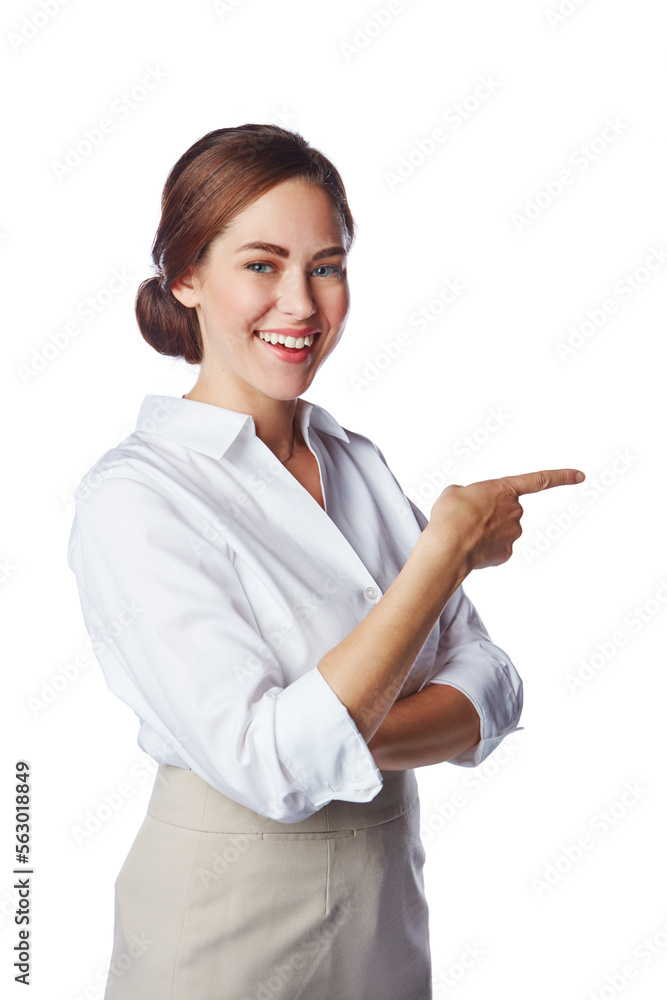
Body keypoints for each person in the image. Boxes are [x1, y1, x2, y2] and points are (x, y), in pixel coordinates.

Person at [66, 124, 584, 999]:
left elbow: (492, 685)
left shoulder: (354, 462)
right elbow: (271, 769)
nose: (301, 304)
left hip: (384, 912)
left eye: (327, 265)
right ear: (187, 276)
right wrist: (444, 555)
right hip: (219, 919)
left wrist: (341, 732)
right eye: (261, 265)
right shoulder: (135, 496)